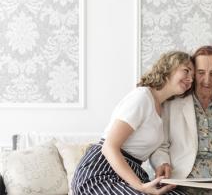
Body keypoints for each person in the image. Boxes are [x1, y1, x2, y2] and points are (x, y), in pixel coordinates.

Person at [71, 51, 194, 195]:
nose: (190, 79)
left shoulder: (163, 108)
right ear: (168, 68)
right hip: (100, 172)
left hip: (131, 172)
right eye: (186, 71)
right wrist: (141, 187)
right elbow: (109, 147)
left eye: (192, 77)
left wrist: (163, 164)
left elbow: (156, 146)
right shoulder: (142, 97)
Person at [150, 46, 212, 194]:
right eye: (201, 73)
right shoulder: (172, 103)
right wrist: (162, 163)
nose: (207, 80)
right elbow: (160, 146)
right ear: (193, 73)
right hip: (181, 181)